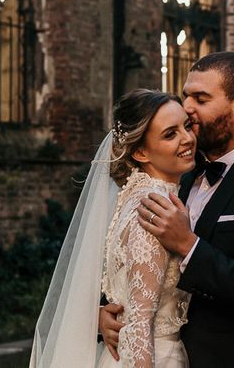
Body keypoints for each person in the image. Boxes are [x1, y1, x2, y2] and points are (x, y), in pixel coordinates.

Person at [100, 52, 234, 367]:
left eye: (200, 98)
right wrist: (105, 313)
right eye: (186, 95)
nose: (187, 107)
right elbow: (129, 256)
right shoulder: (172, 174)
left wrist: (188, 245)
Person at [30, 89, 198, 368]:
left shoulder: (132, 195)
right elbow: (140, 324)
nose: (188, 138)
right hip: (152, 358)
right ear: (141, 151)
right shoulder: (155, 209)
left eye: (187, 126)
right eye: (170, 134)